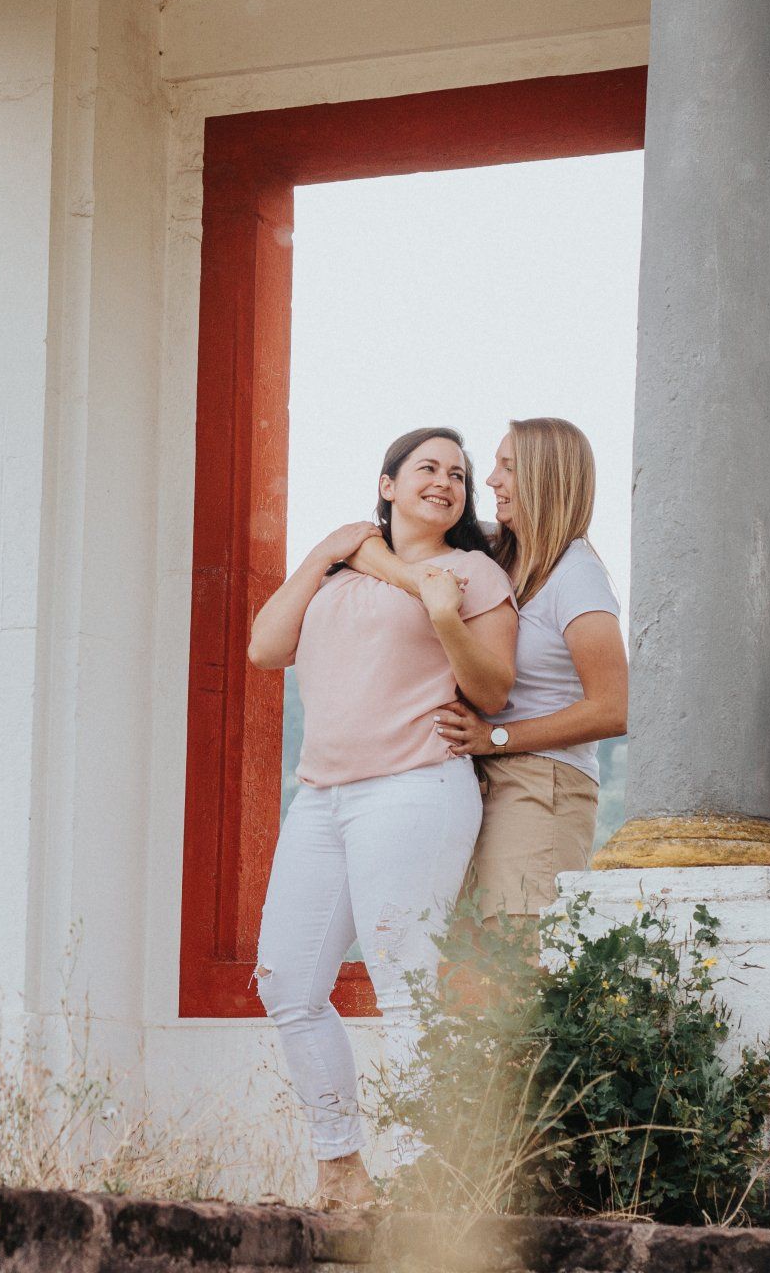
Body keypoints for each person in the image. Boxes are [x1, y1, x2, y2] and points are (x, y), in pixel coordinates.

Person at [246, 427, 518, 1209]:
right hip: (322, 797)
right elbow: (266, 647)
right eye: (427, 467)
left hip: (413, 786)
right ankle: (342, 1170)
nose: (446, 482)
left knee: (404, 985)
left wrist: (444, 617)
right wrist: (326, 551)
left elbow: (493, 690)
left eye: (459, 475)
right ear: (387, 484)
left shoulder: (470, 572)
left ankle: (417, 1182)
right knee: (288, 983)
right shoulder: (338, 572)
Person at [349, 416, 627, 923]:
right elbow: (363, 541)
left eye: (508, 468)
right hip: (472, 776)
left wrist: (496, 738)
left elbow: (614, 709)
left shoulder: (577, 576)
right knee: (459, 951)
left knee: (515, 949)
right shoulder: (496, 549)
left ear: (546, 479)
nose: (492, 481)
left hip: (541, 781)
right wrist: (413, 579)